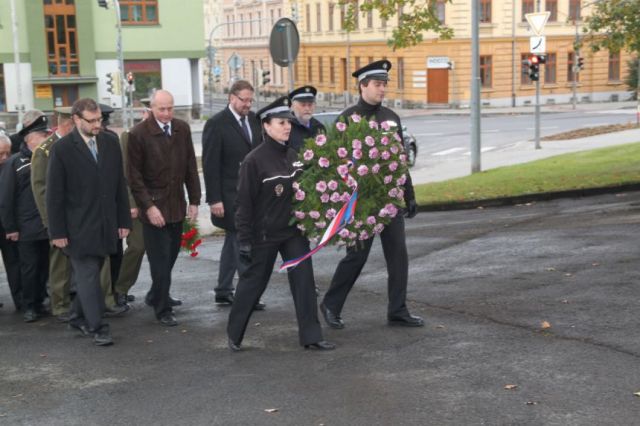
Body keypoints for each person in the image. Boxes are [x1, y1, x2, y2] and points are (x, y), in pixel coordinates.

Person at [319, 60, 423, 329]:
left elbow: (399, 160)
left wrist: (408, 194)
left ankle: (397, 310)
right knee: (357, 257)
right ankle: (331, 304)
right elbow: (334, 163)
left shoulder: (391, 118)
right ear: (362, 85)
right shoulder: (347, 119)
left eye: (385, 84)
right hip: (360, 204)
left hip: (389, 201)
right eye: (377, 84)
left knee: (398, 256)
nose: (382, 89)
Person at [226, 96, 335, 352]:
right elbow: (243, 204)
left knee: (304, 281)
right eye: (280, 122)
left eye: (288, 122)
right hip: (264, 234)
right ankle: (234, 332)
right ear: (266, 126)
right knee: (253, 283)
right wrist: (244, 240)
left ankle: (311, 336)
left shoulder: (293, 155)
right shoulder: (254, 160)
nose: (287, 127)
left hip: (292, 232)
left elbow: (304, 191)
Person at [46, 98, 131, 346]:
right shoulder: (62, 150)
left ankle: (76, 316)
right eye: (91, 121)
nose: (97, 124)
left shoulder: (110, 142)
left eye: (99, 119)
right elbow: (54, 195)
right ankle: (98, 327)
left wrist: (123, 220)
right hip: (77, 228)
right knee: (88, 276)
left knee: (90, 275)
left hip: (105, 225)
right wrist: (57, 231)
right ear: (76, 119)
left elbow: (118, 186)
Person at [127, 89, 200, 327]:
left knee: (170, 256)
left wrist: (195, 200)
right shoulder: (139, 134)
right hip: (154, 206)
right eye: (162, 109)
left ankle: (156, 293)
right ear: (151, 108)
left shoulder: (182, 128)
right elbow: (134, 176)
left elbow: (190, 165)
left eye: (170, 108)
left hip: (176, 203)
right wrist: (148, 207)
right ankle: (162, 308)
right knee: (159, 260)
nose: (167, 113)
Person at [202, 80, 265, 310]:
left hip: (251, 194)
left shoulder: (255, 120)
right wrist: (214, 199)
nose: (247, 104)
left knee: (233, 241)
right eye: (243, 100)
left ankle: (223, 290)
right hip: (229, 196)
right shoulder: (216, 124)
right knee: (241, 240)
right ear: (232, 98)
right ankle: (248, 295)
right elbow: (210, 164)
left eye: (250, 100)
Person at [0, 114, 51, 322]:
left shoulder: (47, 157)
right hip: (26, 227)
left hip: (45, 225)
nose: (47, 139)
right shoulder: (15, 163)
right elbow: (6, 199)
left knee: (43, 267)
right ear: (31, 139)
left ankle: (39, 301)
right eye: (43, 135)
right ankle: (29, 306)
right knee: (28, 268)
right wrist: (11, 227)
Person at [30, 107, 74, 322]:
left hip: (79, 215)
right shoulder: (45, 150)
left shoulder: (78, 144)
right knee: (60, 263)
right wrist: (50, 223)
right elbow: (40, 190)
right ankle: (60, 305)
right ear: (66, 124)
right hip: (58, 217)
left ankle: (83, 300)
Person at [112, 101, 151, 307]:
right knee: (137, 246)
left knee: (163, 249)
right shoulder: (131, 135)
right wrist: (130, 202)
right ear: (145, 113)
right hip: (137, 200)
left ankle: (159, 292)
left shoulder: (169, 133)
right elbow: (125, 171)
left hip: (159, 200)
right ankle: (120, 288)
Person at [0, 133, 23, 311]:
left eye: (7, 153)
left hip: (8, 224)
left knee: (14, 262)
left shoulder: (11, 166)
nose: (5, 158)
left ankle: (21, 301)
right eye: (0, 154)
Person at [287, 85, 326, 152]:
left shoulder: (319, 127)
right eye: (303, 105)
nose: (307, 109)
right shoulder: (286, 127)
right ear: (293, 106)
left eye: (310, 105)